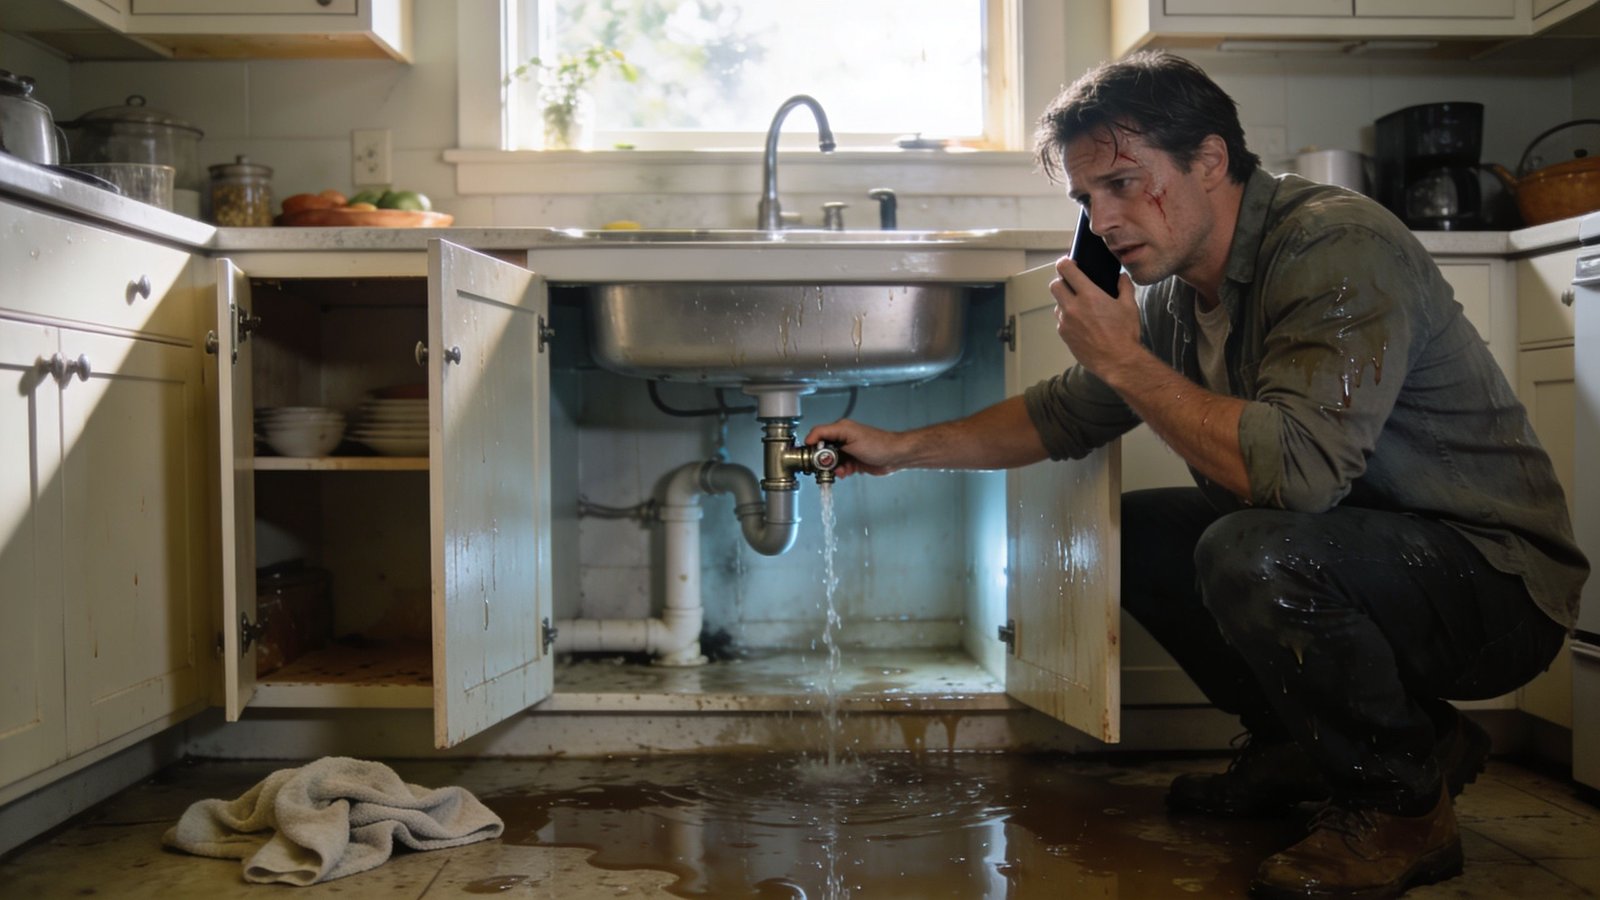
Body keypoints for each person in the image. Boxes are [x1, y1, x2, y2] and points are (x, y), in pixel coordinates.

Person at [806, 51, 1587, 900]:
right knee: (1140, 536)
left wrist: (1123, 360)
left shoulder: (1335, 244)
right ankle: (1316, 745)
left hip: (1497, 586)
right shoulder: (1182, 296)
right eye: (1085, 199)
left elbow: (1299, 477)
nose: (1103, 220)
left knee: (1250, 550)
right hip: (1367, 557)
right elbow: (1062, 414)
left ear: (1209, 161)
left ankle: (1397, 807)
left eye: (1123, 183)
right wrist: (900, 446)